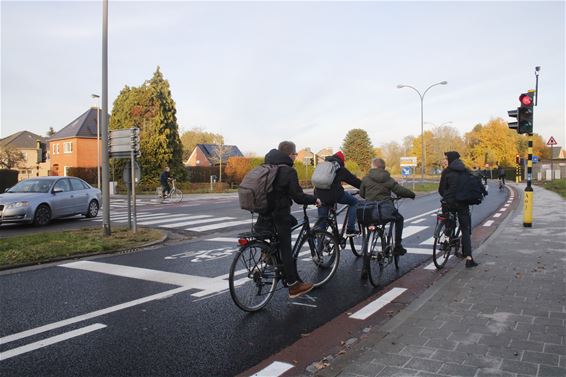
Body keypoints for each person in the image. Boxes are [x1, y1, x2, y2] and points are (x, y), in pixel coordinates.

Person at [254, 141, 321, 299]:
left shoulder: (266, 167)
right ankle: (293, 286)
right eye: (295, 154)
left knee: (290, 223)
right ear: (290, 154)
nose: (295, 157)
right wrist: (314, 200)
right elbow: (298, 197)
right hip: (279, 214)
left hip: (263, 213)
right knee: (286, 249)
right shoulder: (288, 171)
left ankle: (268, 255)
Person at [359, 158, 416, 256]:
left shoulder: (366, 178)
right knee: (399, 219)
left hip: (369, 209)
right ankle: (398, 246)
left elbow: (362, 194)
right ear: (383, 167)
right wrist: (411, 194)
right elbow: (399, 190)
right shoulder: (388, 179)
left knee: (369, 222)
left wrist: (369, 197)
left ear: (373, 166)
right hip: (385, 209)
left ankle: (367, 247)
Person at [439, 151, 477, 268]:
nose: (445, 160)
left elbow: (441, 190)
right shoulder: (466, 171)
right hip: (462, 203)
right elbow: (472, 186)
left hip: (449, 203)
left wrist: (447, 196)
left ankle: (446, 240)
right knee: (465, 229)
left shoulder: (446, 172)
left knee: (449, 223)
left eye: (446, 158)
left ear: (450, 159)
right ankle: (469, 258)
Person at [314, 151, 362, 236]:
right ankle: (350, 229)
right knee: (354, 202)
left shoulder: (322, 166)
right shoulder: (339, 168)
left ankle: (319, 247)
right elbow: (354, 181)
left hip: (318, 195)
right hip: (334, 195)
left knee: (322, 222)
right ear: (341, 160)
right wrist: (365, 188)